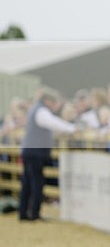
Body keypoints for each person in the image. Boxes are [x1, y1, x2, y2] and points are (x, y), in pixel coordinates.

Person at [19, 88, 77, 221]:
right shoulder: (41, 111)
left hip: (30, 151)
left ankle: (24, 213)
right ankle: (34, 213)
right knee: (36, 182)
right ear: (47, 101)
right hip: (35, 152)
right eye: (53, 102)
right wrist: (72, 128)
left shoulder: (35, 109)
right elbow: (53, 123)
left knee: (27, 182)